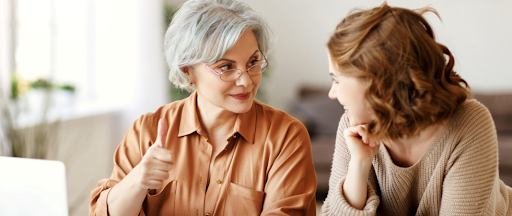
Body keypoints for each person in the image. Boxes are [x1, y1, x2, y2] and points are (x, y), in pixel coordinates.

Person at [89, 0, 317, 215]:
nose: (246, 81)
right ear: (188, 71)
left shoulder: (286, 137)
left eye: (253, 62)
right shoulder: (147, 130)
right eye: (226, 66)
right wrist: (138, 180)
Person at [320, 3, 512, 215]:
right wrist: (359, 163)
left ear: (375, 80)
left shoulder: (469, 123)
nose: (332, 93)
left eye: (336, 80)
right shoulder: (353, 125)